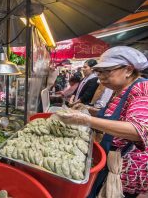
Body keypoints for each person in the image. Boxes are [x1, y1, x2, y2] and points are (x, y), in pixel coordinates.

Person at [56, 46, 148, 198]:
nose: (101, 77)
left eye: (107, 71)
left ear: (129, 70)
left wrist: (86, 120)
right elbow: (117, 116)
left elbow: (139, 130)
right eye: (99, 72)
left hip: (125, 171)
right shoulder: (121, 89)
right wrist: (88, 110)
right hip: (110, 162)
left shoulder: (143, 89)